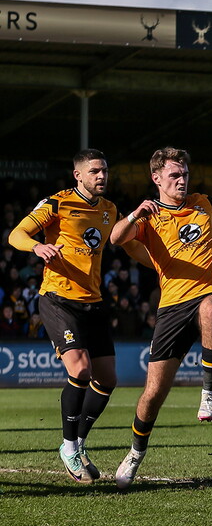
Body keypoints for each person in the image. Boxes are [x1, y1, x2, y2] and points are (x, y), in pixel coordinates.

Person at [108, 147, 212, 489]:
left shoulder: (203, 203)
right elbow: (115, 238)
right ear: (156, 178)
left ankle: (208, 393)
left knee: (211, 308)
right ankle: (135, 453)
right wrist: (135, 214)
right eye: (174, 175)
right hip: (172, 305)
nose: (182, 180)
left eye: (185, 174)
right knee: (152, 394)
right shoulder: (148, 216)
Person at [7, 149, 152, 484]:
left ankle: (79, 442)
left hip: (93, 302)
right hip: (58, 299)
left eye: (105, 171)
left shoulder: (109, 209)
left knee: (108, 379)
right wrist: (37, 247)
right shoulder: (57, 204)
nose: (102, 176)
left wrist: (160, 265)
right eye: (95, 171)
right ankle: (69, 447)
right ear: (78, 175)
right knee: (81, 370)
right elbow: (16, 234)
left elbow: (129, 244)